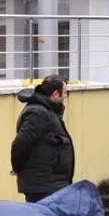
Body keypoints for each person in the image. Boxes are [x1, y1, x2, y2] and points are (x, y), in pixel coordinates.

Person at [10, 75, 74, 203]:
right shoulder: (38, 113)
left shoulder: (47, 111)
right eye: (65, 93)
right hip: (43, 186)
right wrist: (17, 167)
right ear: (56, 94)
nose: (65, 97)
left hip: (50, 184)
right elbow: (21, 143)